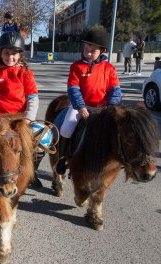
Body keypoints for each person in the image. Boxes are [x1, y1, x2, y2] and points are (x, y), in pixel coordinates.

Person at [56, 28, 122, 175]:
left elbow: (115, 91)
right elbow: (73, 89)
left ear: (102, 51)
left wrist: (111, 108)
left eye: (93, 50)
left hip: (102, 108)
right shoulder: (76, 67)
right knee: (66, 128)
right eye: (86, 49)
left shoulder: (109, 69)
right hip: (80, 107)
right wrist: (80, 107)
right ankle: (62, 158)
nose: (88, 53)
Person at [0, 31, 39, 180]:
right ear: (0, 53)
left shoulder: (26, 73)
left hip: (20, 119)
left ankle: (33, 171)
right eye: (7, 53)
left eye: (14, 53)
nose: (10, 57)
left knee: (41, 140)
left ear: (20, 55)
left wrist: (28, 118)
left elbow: (33, 98)